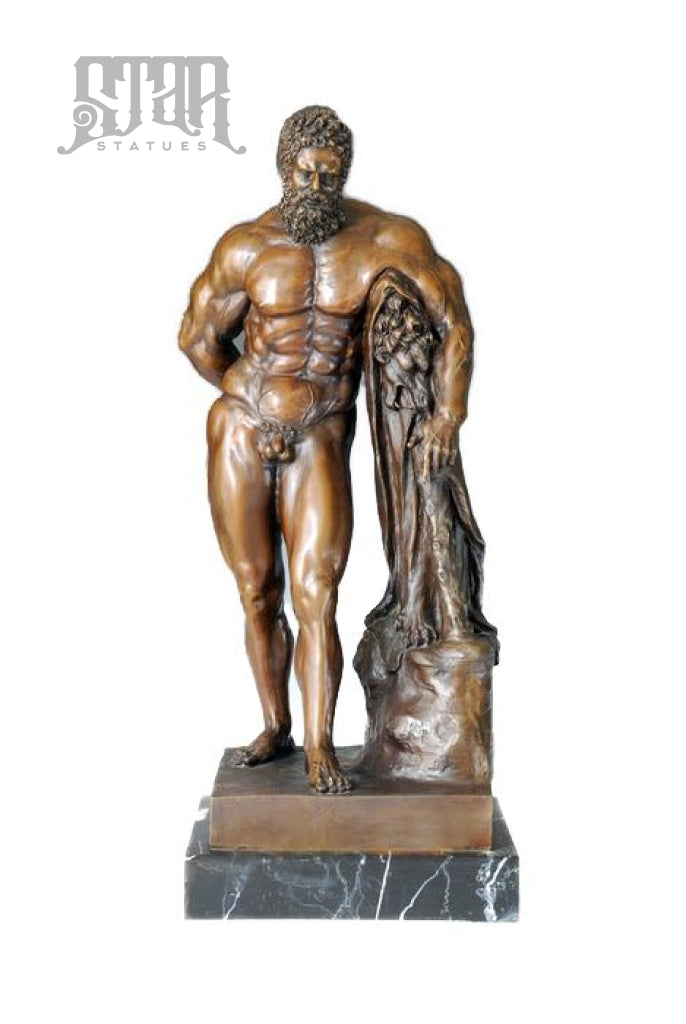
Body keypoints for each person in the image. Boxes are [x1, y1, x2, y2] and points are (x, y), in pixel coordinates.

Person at [179, 105, 474, 793]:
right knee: (258, 588)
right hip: (242, 429)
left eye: (330, 175)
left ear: (345, 174)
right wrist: (252, 395)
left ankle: (319, 746)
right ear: (285, 169)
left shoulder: (385, 238)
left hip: (320, 433)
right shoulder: (245, 246)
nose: (317, 186)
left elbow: (454, 323)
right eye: (306, 173)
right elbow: (196, 337)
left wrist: (448, 413)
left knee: (317, 591)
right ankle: (275, 725)